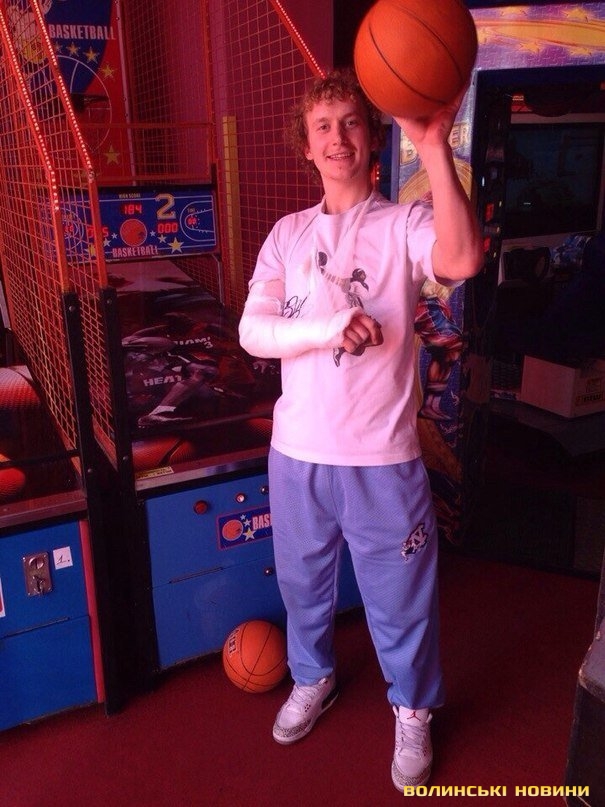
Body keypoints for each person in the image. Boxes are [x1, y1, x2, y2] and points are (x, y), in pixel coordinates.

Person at [238, 68, 483, 792]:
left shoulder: (401, 223)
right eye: (323, 126)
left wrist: (433, 146)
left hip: (380, 457)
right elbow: (254, 331)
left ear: (371, 137)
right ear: (305, 146)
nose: (337, 137)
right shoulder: (287, 235)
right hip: (296, 454)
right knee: (302, 588)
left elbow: (462, 259)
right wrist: (327, 327)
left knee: (400, 598)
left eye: (350, 122)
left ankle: (412, 708)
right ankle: (312, 677)